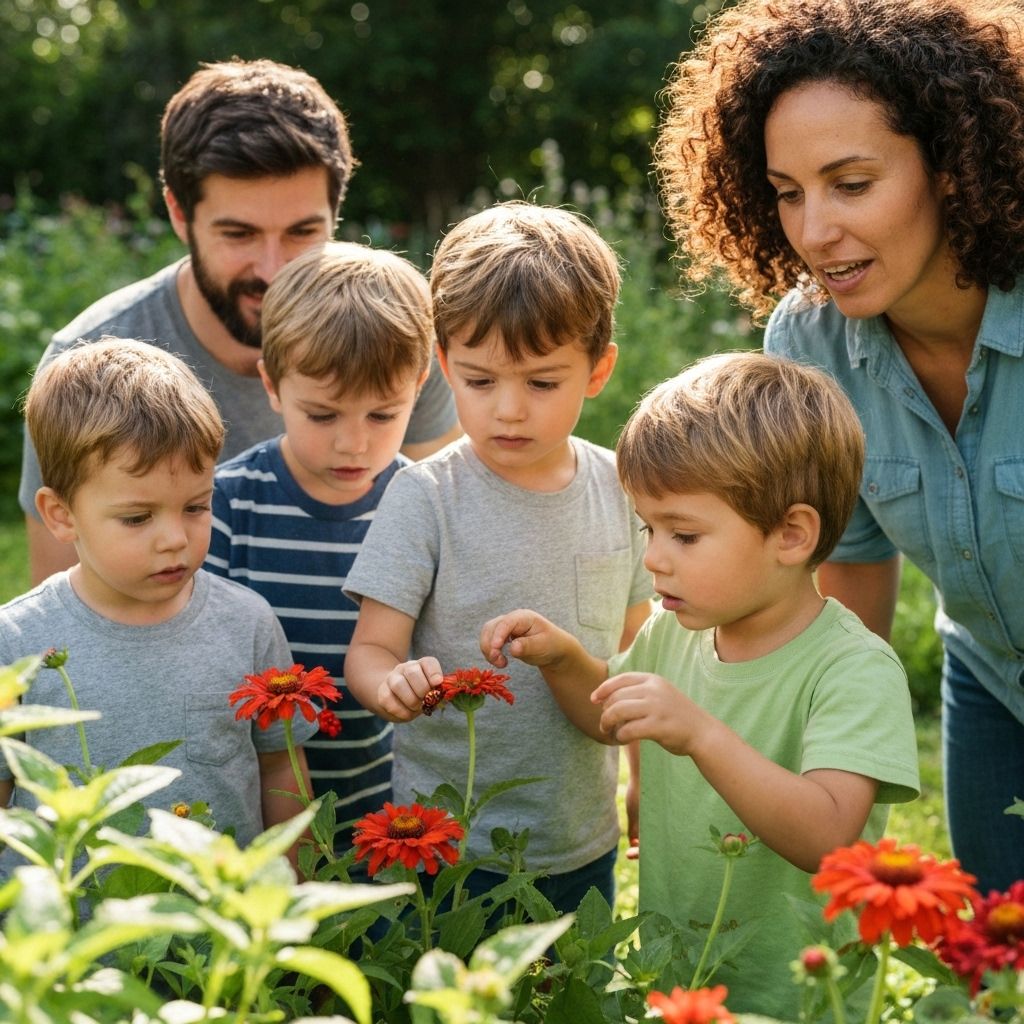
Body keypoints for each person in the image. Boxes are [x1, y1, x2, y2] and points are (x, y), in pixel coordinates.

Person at [653, 0, 1024, 894]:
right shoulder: (810, 345)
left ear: (952, 169)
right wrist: (820, 755)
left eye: (851, 184)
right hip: (991, 684)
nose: (815, 232)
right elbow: (844, 566)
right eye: (788, 192)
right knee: (997, 963)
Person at [480, 352, 920, 1017]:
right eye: (647, 529)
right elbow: (610, 716)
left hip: (795, 997)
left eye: (684, 534)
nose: (654, 556)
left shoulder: (851, 668)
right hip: (682, 980)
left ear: (791, 534)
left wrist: (701, 735)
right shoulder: (674, 632)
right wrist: (565, 660)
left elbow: (827, 838)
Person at [20, 57, 460, 587]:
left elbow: (446, 531)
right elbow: (66, 618)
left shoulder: (394, 336)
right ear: (179, 214)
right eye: (239, 234)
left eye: (303, 231)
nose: (274, 270)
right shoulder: (87, 362)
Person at [343, 201, 653, 912]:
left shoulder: (624, 489)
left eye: (542, 382)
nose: (509, 409)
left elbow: (641, 657)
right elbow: (371, 650)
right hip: (447, 845)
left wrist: (646, 778)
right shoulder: (425, 497)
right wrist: (390, 686)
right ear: (443, 364)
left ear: (598, 369)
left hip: (579, 834)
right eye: (480, 381)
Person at [0, 339, 315, 852]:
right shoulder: (15, 643)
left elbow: (280, 765)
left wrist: (293, 890)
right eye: (137, 518)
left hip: (220, 919)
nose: (174, 537)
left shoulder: (246, 624)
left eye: (195, 506)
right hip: (74, 926)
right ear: (60, 515)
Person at [205, 241, 434, 848]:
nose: (353, 445)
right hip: (258, 817)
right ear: (273, 385)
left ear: (420, 383)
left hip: (387, 819)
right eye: (324, 415)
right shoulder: (227, 505)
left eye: (383, 416)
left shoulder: (423, 503)